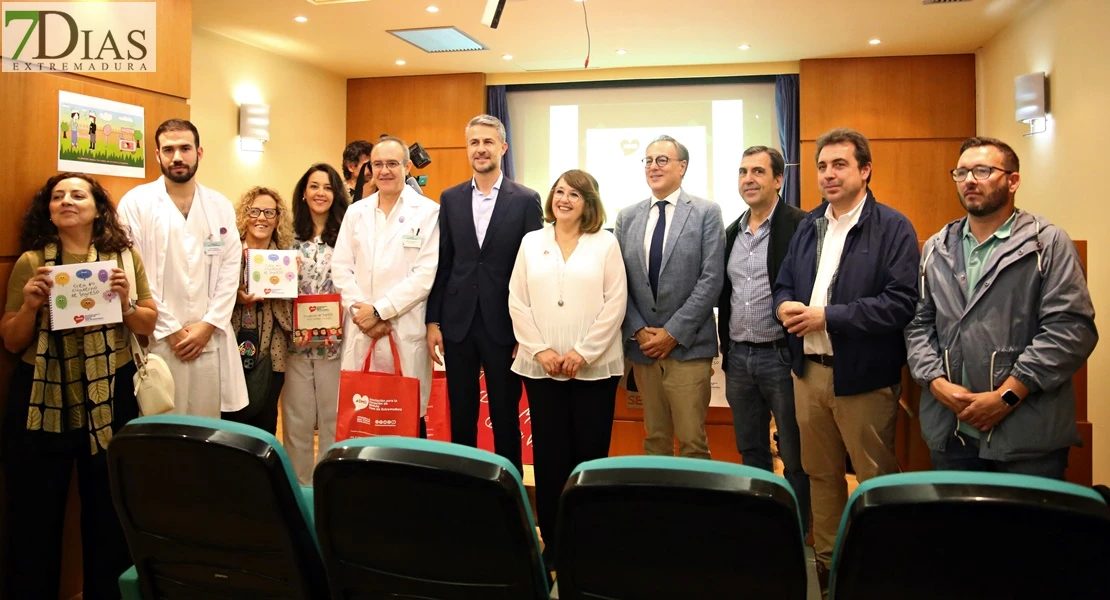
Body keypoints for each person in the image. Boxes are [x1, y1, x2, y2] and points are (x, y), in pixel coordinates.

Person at [773, 127, 919, 594]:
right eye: (822, 166)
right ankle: (830, 573)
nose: (829, 174)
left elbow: (900, 303)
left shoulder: (893, 227)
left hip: (864, 379)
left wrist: (826, 317)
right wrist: (783, 306)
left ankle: (881, 573)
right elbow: (783, 283)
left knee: (875, 481)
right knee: (821, 478)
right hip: (808, 375)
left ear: (865, 170)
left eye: (839, 164)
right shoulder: (808, 224)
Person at [1, 173, 158, 599]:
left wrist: (126, 303)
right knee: (33, 513)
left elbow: (147, 326)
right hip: (42, 396)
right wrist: (32, 304)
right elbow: (12, 340)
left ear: (97, 207)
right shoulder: (33, 263)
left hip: (110, 393)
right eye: (57, 196)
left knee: (109, 512)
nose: (66, 201)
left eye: (77, 194)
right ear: (47, 210)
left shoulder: (123, 260)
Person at [906, 136, 1097, 480]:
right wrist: (935, 382)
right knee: (960, 532)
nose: (969, 180)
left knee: (1026, 533)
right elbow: (918, 325)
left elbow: (1071, 331)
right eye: (961, 172)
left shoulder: (1048, 244)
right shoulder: (937, 248)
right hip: (953, 431)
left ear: (1013, 181)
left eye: (982, 170)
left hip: (1027, 435)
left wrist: (1007, 396)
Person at [508, 169, 626, 563]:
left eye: (574, 194)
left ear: (588, 202)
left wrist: (582, 352)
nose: (564, 199)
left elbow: (616, 303)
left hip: (593, 368)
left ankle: (588, 542)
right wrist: (540, 350)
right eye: (559, 191)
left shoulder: (605, 243)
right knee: (549, 456)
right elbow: (517, 300)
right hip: (541, 369)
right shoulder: (531, 242)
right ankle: (555, 545)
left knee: (588, 456)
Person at [426, 114, 542, 472]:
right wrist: (433, 320)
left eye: (488, 142)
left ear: (503, 148)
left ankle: (509, 495)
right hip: (457, 324)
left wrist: (530, 330)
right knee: (461, 414)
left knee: (505, 416)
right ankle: (465, 490)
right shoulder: (450, 198)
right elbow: (444, 263)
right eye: (474, 143)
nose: (481, 149)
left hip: (505, 326)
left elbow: (533, 270)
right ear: (467, 149)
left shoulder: (525, 200)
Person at [117, 118, 249, 417]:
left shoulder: (219, 204)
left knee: (206, 430)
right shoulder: (136, 203)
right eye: (169, 149)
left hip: (209, 338)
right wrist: (171, 330)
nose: (177, 157)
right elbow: (134, 273)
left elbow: (231, 270)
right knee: (160, 431)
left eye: (185, 148)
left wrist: (208, 325)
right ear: (157, 155)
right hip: (158, 339)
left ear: (199, 153)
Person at [614, 134, 725, 459]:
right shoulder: (627, 216)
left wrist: (672, 333)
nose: (653, 167)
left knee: (693, 442)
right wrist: (637, 329)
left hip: (688, 349)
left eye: (661, 160)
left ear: (682, 166)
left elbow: (711, 279)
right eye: (648, 160)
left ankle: (693, 510)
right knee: (655, 439)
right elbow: (619, 280)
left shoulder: (706, 212)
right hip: (644, 348)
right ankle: (658, 509)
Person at [717, 146, 809, 532]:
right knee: (750, 446)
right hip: (739, 357)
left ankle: (800, 525)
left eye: (758, 171)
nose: (748, 179)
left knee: (794, 451)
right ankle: (760, 522)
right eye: (742, 171)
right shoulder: (731, 232)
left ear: (778, 180)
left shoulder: (800, 225)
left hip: (781, 357)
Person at [333, 136, 440, 434]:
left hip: (402, 326)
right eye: (378, 164)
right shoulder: (357, 212)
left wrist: (380, 311)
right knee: (362, 418)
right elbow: (341, 267)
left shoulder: (429, 212)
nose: (384, 171)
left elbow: (424, 274)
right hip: (361, 327)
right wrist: (362, 314)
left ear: (406, 167)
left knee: (406, 418)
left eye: (392, 163)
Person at [285, 163, 349, 484]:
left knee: (332, 420)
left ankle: (328, 486)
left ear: (336, 193)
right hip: (295, 344)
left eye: (326, 187)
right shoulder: (288, 237)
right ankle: (300, 488)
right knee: (296, 420)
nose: (320, 193)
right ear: (303, 193)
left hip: (335, 343)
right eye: (313, 186)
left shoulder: (348, 236)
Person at [225, 187, 294, 434]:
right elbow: (211, 299)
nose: (261, 218)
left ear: (278, 219)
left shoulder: (286, 261)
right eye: (254, 211)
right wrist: (236, 297)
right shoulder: (228, 255)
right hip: (230, 352)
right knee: (231, 424)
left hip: (272, 355)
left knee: (264, 424)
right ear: (244, 216)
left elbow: (291, 322)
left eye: (269, 212)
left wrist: (284, 286)